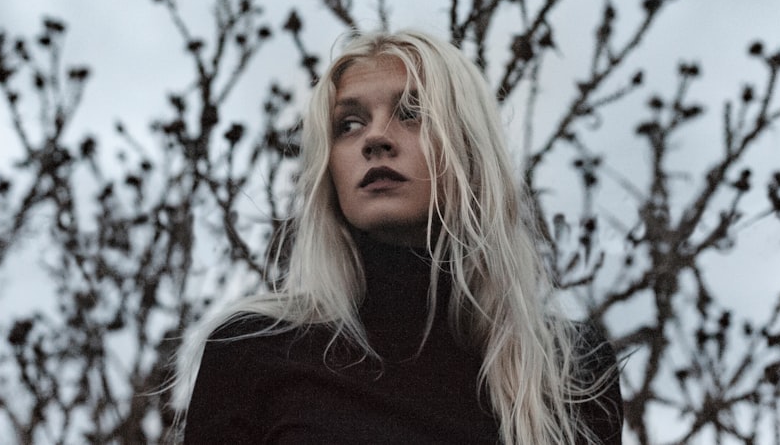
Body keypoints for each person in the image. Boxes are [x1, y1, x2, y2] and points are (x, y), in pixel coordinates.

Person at [172, 29, 623, 444]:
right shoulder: (254, 349)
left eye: (412, 113)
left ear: (470, 148)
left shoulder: (567, 369)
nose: (375, 140)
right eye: (348, 124)